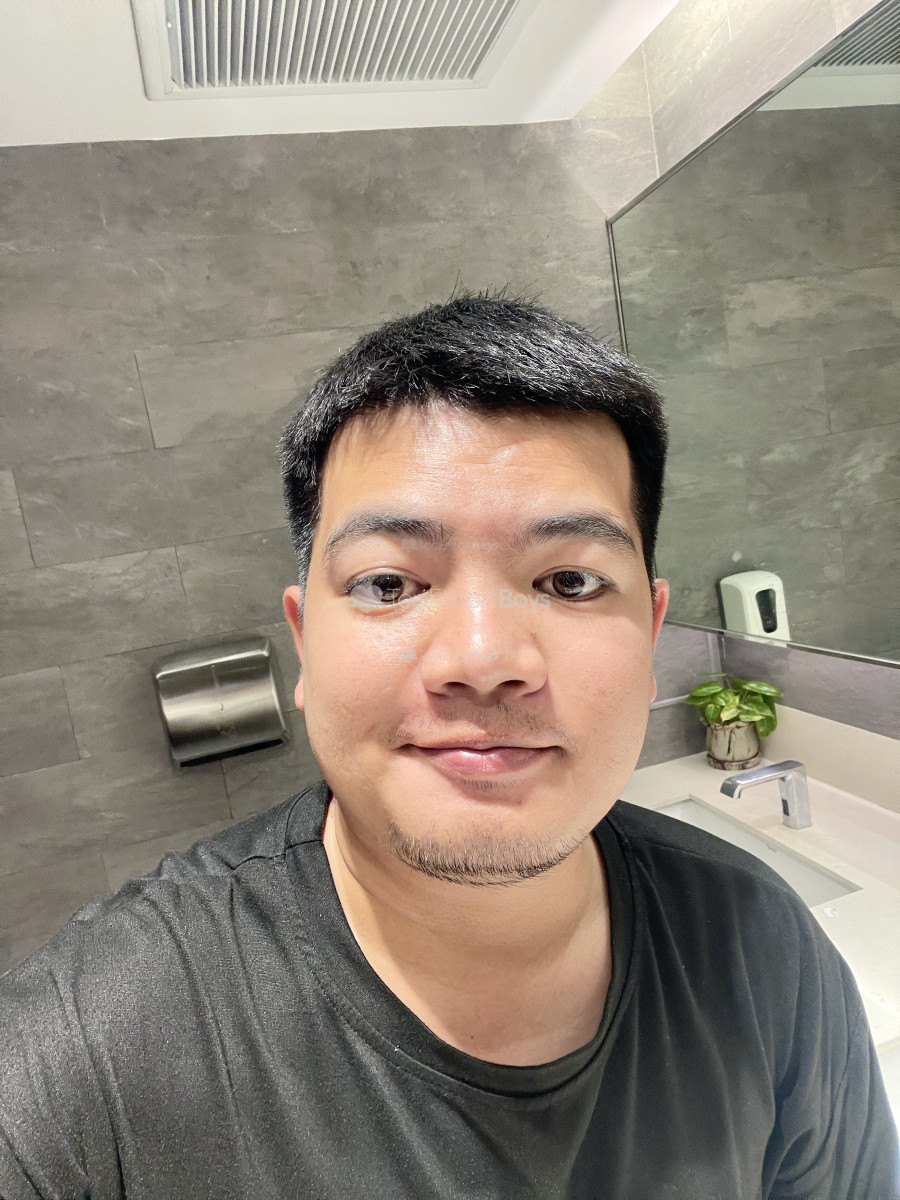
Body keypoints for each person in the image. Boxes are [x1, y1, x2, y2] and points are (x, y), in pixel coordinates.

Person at [0, 292, 897, 1199]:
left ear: (653, 635)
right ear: (304, 643)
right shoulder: (85, 1056)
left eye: (570, 581)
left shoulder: (761, 951)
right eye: (389, 584)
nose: (483, 660)